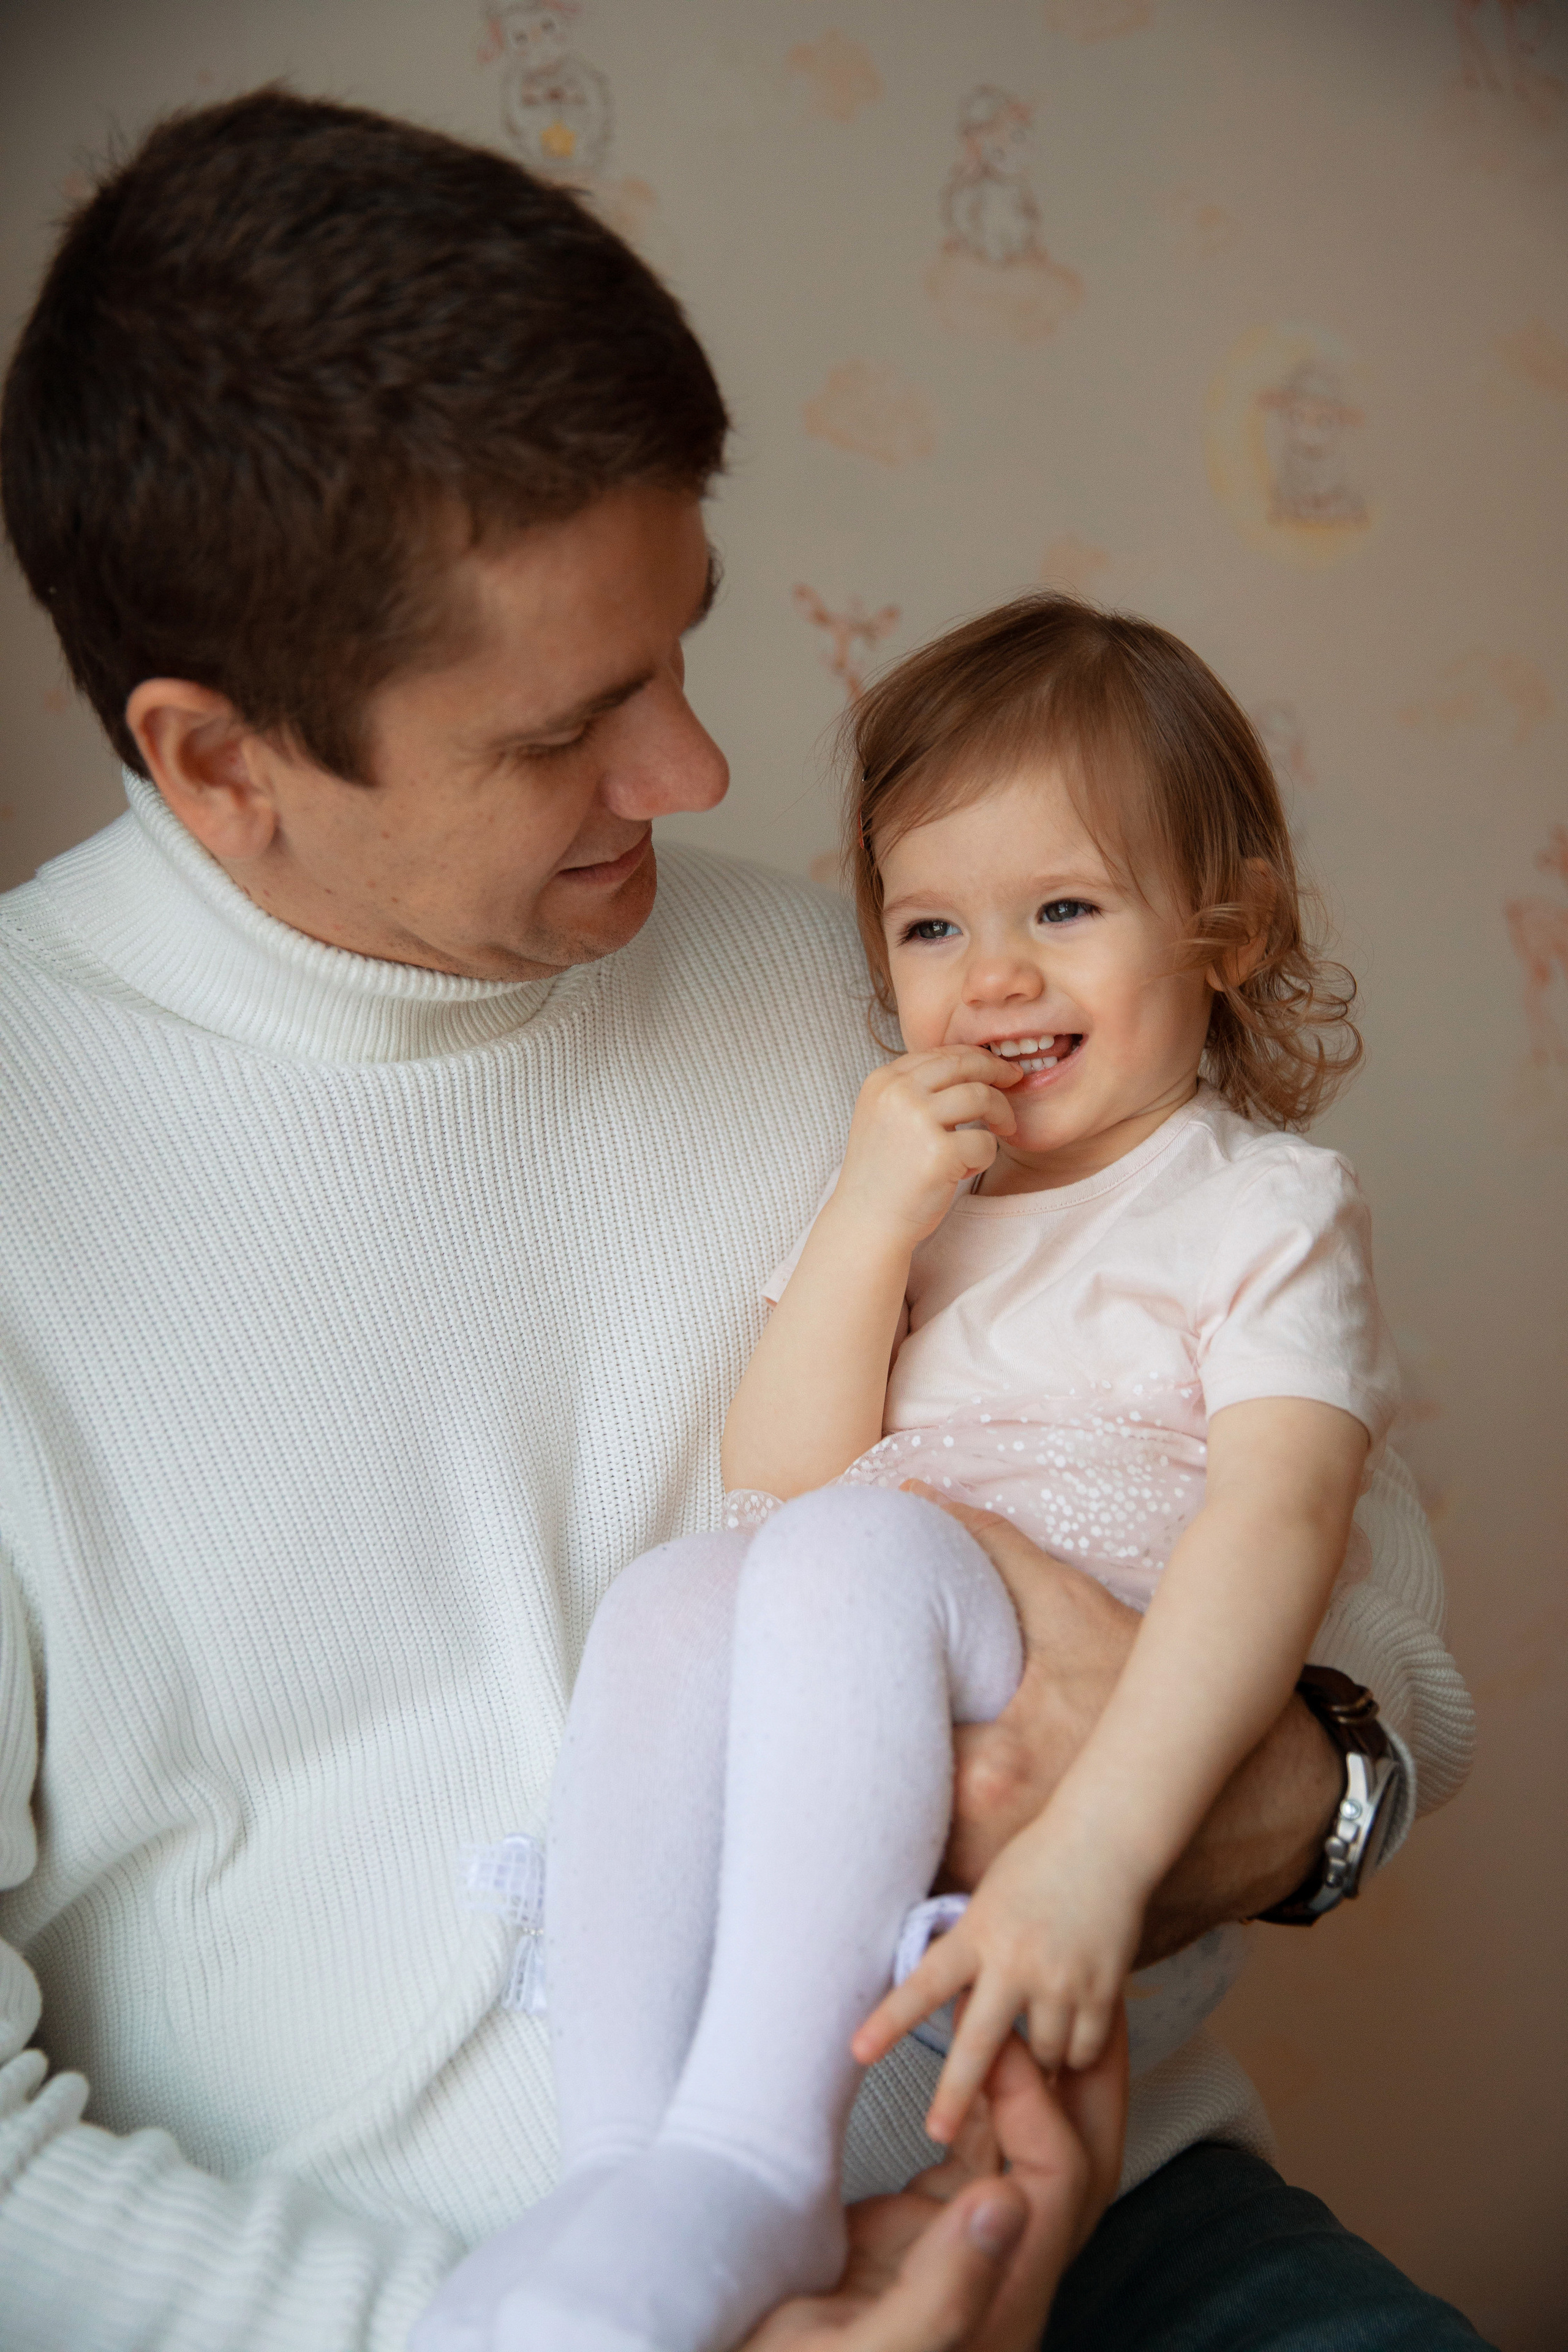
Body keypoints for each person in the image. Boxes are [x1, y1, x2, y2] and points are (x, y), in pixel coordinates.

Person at [0, 87, 1481, 2352]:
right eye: (567, 731)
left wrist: (1290, 1799)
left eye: (683, 647)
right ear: (222, 763)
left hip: (1130, 2228)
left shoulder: (869, 985)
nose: (697, 783)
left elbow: (1346, 1557)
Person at [420, 598, 1419, 2352]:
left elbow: (1284, 1517)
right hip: (878, 1715)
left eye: (1064, 911)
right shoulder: (919, 1204)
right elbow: (777, 1485)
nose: (995, 976)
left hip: (1089, 1831)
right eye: (934, 924)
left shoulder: (1257, 1207)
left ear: (1225, 927)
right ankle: (626, 2173)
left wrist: (1101, 1854)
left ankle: (754, 2151)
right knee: (678, 1591)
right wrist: (874, 1218)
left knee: (860, 1553)